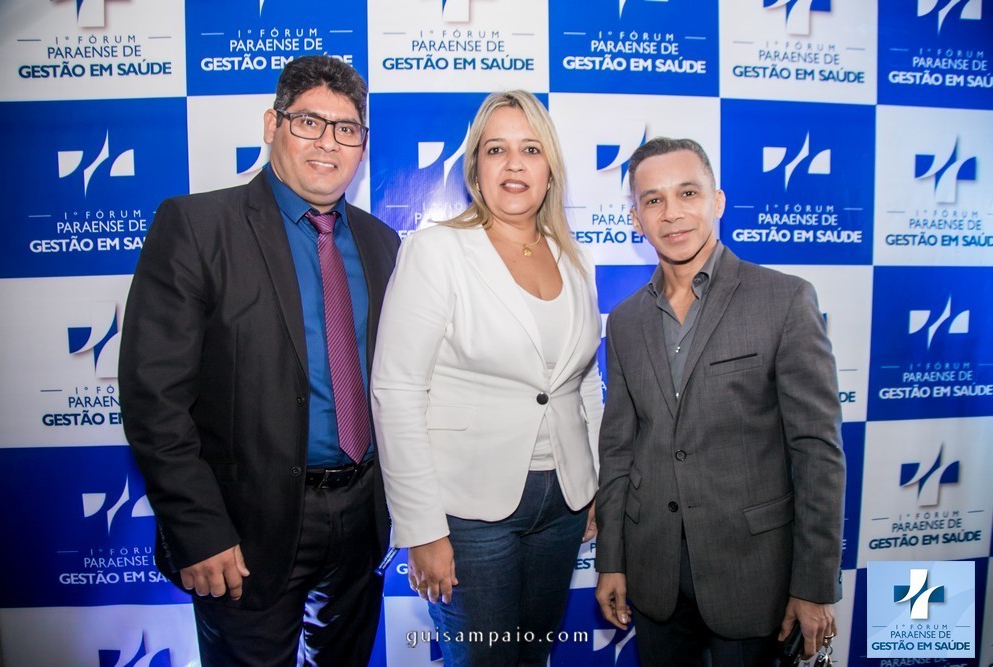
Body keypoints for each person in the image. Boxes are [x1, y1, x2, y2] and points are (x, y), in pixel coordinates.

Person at [118, 55, 399, 666]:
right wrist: (198, 530)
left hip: (363, 517)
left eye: (347, 129)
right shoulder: (197, 226)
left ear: (362, 143)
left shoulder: (382, 242)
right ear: (272, 125)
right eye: (309, 122)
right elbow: (153, 398)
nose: (328, 143)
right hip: (243, 530)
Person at [371, 90, 603, 666]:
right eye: (497, 149)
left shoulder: (576, 259)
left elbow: (582, 385)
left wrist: (596, 483)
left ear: (550, 170)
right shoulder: (436, 251)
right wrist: (422, 529)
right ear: (475, 168)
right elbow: (396, 392)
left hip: (564, 504)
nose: (514, 164)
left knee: (532, 656)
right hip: (468, 512)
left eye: (531, 149)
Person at [594, 137, 845, 666]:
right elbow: (618, 451)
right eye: (653, 199)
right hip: (654, 575)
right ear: (635, 218)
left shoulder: (784, 300)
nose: (672, 212)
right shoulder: (625, 321)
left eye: (688, 192)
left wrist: (813, 585)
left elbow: (818, 452)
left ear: (718, 201)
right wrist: (611, 560)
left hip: (753, 574)